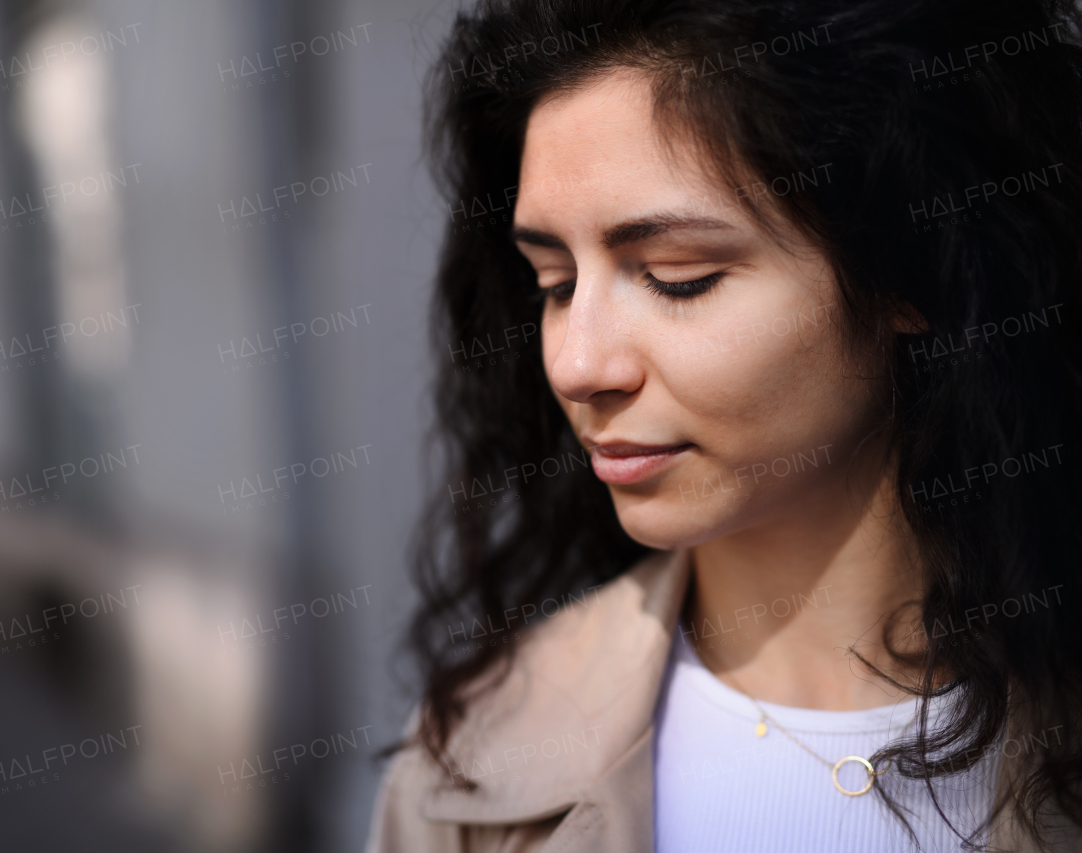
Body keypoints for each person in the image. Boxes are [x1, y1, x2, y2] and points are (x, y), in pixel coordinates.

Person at [365, 0, 1082, 850]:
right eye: (554, 284)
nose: (577, 364)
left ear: (912, 270)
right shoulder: (470, 773)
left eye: (678, 277)